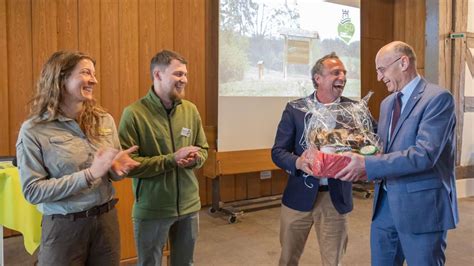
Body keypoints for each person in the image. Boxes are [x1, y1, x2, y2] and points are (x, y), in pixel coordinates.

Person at [335, 41, 459, 265]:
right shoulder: (387, 103)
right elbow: (384, 149)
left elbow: (424, 154)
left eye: (381, 70)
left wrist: (368, 165)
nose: (380, 77)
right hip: (384, 206)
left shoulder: (438, 99)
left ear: (403, 62)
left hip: (422, 209)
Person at [16, 50, 140, 265]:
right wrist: (90, 174)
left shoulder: (105, 120)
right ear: (61, 78)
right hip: (64, 228)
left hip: (106, 222)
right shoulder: (34, 129)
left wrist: (116, 168)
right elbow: (33, 191)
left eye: (94, 73)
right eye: (85, 73)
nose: (94, 80)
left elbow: (110, 173)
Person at [118, 49, 209, 266]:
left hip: (189, 207)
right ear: (158, 75)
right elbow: (127, 164)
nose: (184, 80)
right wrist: (171, 160)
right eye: (178, 74)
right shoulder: (134, 114)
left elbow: (204, 150)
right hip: (152, 209)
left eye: (185, 75)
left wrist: (195, 159)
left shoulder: (191, 110)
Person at [272, 52, 354, 266]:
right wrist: (299, 163)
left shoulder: (354, 111)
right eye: (336, 72)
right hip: (298, 196)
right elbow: (278, 152)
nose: (342, 77)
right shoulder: (296, 109)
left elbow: (371, 143)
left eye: (344, 73)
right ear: (318, 78)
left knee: (332, 261)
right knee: (287, 259)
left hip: (335, 199)